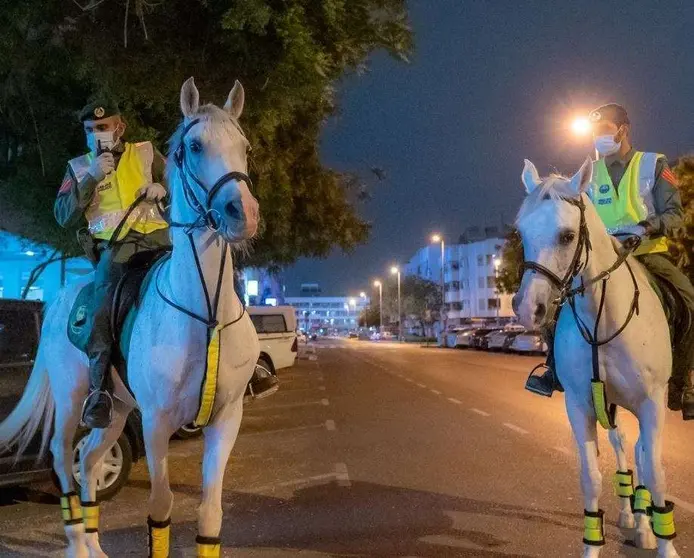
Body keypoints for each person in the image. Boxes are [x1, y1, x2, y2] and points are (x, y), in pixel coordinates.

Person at [525, 103, 694, 421]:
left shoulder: (653, 164)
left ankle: (682, 383)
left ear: (622, 130)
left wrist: (647, 227)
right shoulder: (588, 173)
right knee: (554, 300)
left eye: (603, 130)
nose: (598, 138)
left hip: (647, 253)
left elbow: (675, 215)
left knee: (689, 300)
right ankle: (553, 370)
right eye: (594, 133)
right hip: (600, 260)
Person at [55, 99, 171, 428]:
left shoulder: (147, 153)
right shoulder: (79, 167)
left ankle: (239, 367)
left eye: (103, 128)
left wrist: (163, 188)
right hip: (115, 251)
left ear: (119, 128)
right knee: (101, 308)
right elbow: (63, 216)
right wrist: (91, 177)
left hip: (159, 244)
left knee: (205, 276)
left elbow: (179, 185)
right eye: (90, 130)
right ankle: (99, 392)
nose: (97, 134)